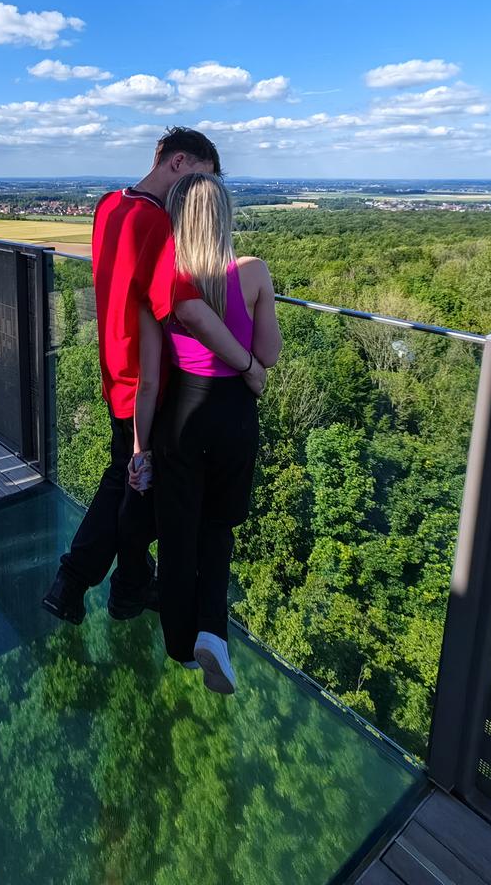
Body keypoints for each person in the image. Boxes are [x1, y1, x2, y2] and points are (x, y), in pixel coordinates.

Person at [41, 128, 264, 627]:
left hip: (117, 369)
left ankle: (113, 584)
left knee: (129, 478)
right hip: (153, 380)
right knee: (133, 484)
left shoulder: (108, 206)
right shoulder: (157, 225)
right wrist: (249, 367)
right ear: (179, 162)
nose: (198, 198)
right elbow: (188, 309)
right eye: (200, 181)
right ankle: (91, 582)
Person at [145, 171, 280, 694]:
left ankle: (179, 645)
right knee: (218, 528)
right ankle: (213, 635)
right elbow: (266, 357)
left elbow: (153, 365)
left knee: (178, 533)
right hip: (234, 414)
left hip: (181, 410)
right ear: (224, 216)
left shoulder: (167, 277)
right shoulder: (252, 273)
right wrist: (248, 362)